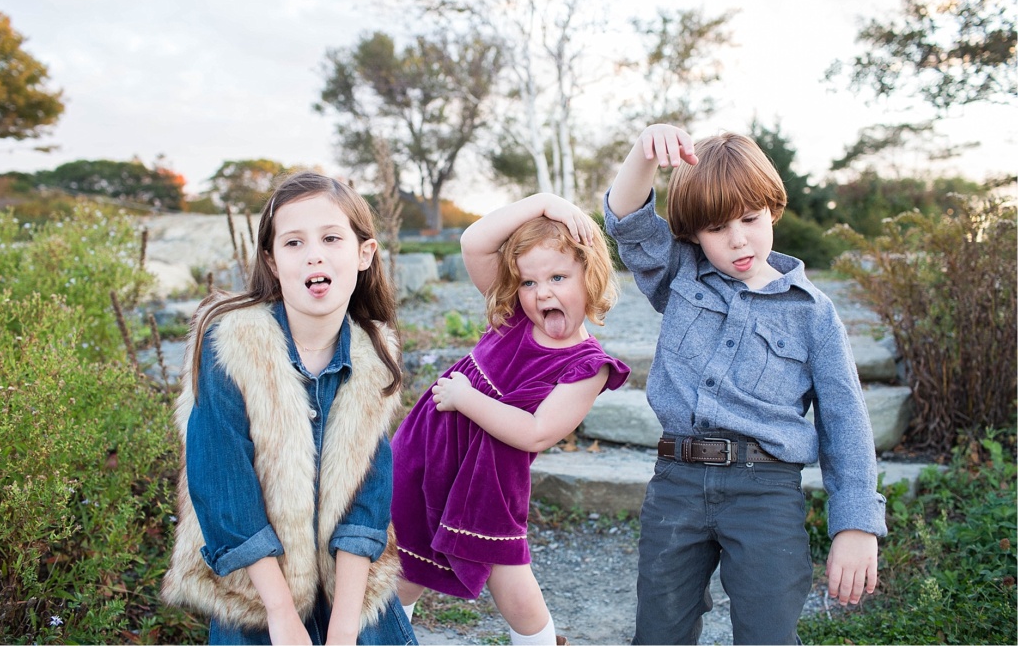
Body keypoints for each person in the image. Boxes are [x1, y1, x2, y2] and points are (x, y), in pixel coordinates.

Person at [603, 124, 887, 645]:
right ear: (693, 234)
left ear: (772, 210)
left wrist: (856, 525)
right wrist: (644, 151)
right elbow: (628, 222)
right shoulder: (679, 273)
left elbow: (846, 421)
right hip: (677, 482)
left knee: (767, 632)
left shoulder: (813, 314)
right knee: (659, 631)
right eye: (716, 228)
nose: (737, 239)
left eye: (750, 219)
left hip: (766, 493)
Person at [161, 171, 416, 645]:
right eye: (294, 242)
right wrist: (281, 614)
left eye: (331, 238)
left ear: (364, 254)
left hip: (346, 589)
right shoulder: (231, 346)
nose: (314, 253)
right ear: (272, 261)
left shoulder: (372, 355)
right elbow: (223, 485)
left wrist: (345, 626)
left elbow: (368, 495)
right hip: (259, 594)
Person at [391, 194, 631, 645]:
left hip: (489, 478)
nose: (542, 293)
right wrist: (546, 202)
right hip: (425, 455)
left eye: (558, 277)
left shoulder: (587, 366)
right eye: (528, 282)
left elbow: (536, 433)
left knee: (508, 574)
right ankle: (385, 636)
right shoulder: (512, 316)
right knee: (405, 561)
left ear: (591, 274)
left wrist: (466, 399)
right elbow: (474, 243)